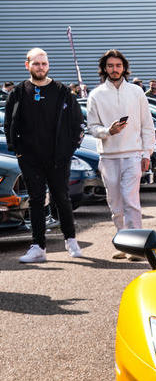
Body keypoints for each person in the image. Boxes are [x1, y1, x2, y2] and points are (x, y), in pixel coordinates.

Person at [3, 47, 84, 262]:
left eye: (44, 63)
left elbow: (77, 122)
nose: (41, 67)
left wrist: (69, 149)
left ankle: (71, 239)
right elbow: (9, 123)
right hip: (30, 158)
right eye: (36, 63)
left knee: (61, 198)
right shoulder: (18, 93)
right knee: (36, 200)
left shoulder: (62, 91)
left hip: (58, 158)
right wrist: (17, 150)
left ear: (48, 66)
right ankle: (38, 246)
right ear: (27, 65)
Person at [86, 48, 155, 257]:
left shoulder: (136, 92)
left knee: (131, 200)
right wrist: (108, 131)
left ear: (124, 67)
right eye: (110, 66)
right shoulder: (96, 94)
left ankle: (138, 248)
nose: (114, 69)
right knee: (115, 203)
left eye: (118, 65)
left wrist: (146, 153)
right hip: (108, 157)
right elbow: (92, 127)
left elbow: (147, 125)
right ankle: (124, 244)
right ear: (104, 68)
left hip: (133, 154)